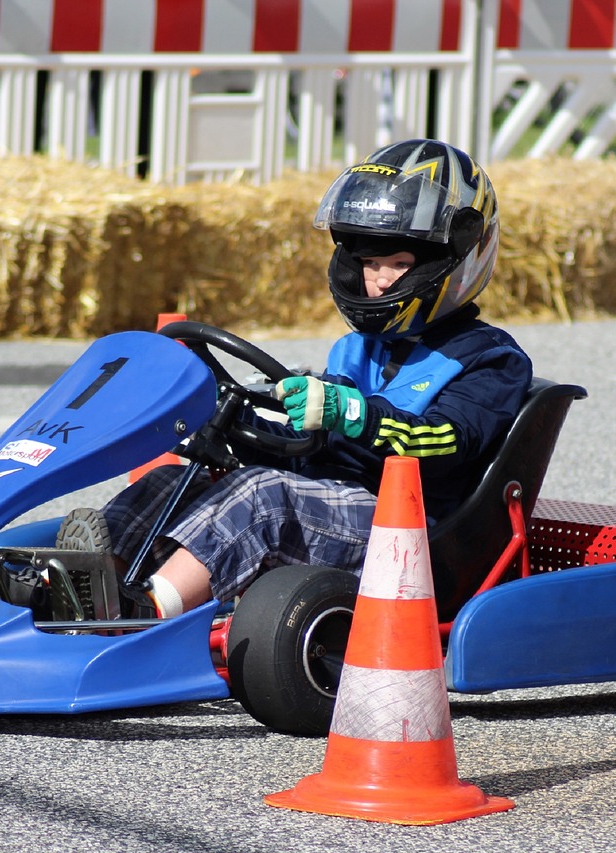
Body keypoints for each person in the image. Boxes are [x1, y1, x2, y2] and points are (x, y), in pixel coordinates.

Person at [98, 138, 533, 618]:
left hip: (410, 529)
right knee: (171, 480)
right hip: (331, 507)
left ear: (455, 262)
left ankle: (146, 614)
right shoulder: (357, 349)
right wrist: (229, 422)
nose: (381, 280)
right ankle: (91, 586)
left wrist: (351, 414)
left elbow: (447, 444)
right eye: (370, 263)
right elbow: (312, 448)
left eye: (400, 264)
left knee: (262, 499)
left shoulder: (490, 358)